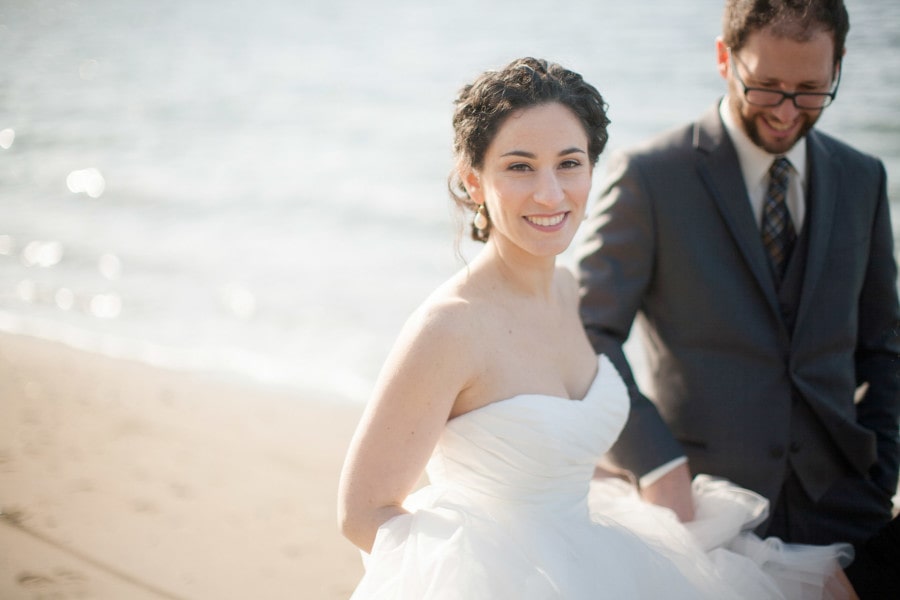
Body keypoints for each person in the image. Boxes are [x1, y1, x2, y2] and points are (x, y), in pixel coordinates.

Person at [338, 57, 854, 599]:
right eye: (519, 167)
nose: (551, 194)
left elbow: (547, 446)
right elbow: (362, 514)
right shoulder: (450, 328)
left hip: (596, 554)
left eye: (569, 163)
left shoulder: (567, 289)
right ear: (473, 181)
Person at [576, 0, 899, 557]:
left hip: (848, 505)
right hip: (703, 510)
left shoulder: (862, 177)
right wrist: (656, 463)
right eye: (767, 86)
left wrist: (883, 467)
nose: (786, 110)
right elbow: (587, 334)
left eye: (811, 88)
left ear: (839, 64)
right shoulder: (649, 178)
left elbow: (884, 344)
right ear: (725, 59)